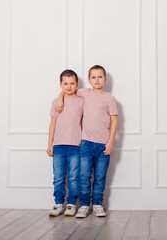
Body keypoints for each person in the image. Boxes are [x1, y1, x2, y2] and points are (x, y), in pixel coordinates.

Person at [55, 65, 118, 217]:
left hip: (103, 144)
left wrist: (110, 142)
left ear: (105, 79)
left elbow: (114, 121)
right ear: (89, 80)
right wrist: (59, 98)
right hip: (85, 143)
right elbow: (67, 90)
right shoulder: (85, 93)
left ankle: (97, 204)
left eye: (100, 77)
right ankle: (84, 205)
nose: (97, 80)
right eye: (94, 77)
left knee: (100, 176)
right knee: (83, 175)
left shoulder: (109, 98)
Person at [47, 69, 84, 217]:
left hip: (75, 145)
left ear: (77, 84)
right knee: (58, 177)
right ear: (60, 84)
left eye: (72, 83)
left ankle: (71, 204)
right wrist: (50, 144)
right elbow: (53, 124)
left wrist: (61, 95)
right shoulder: (56, 103)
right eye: (65, 84)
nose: (69, 86)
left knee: (74, 177)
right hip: (58, 146)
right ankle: (58, 203)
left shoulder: (82, 101)